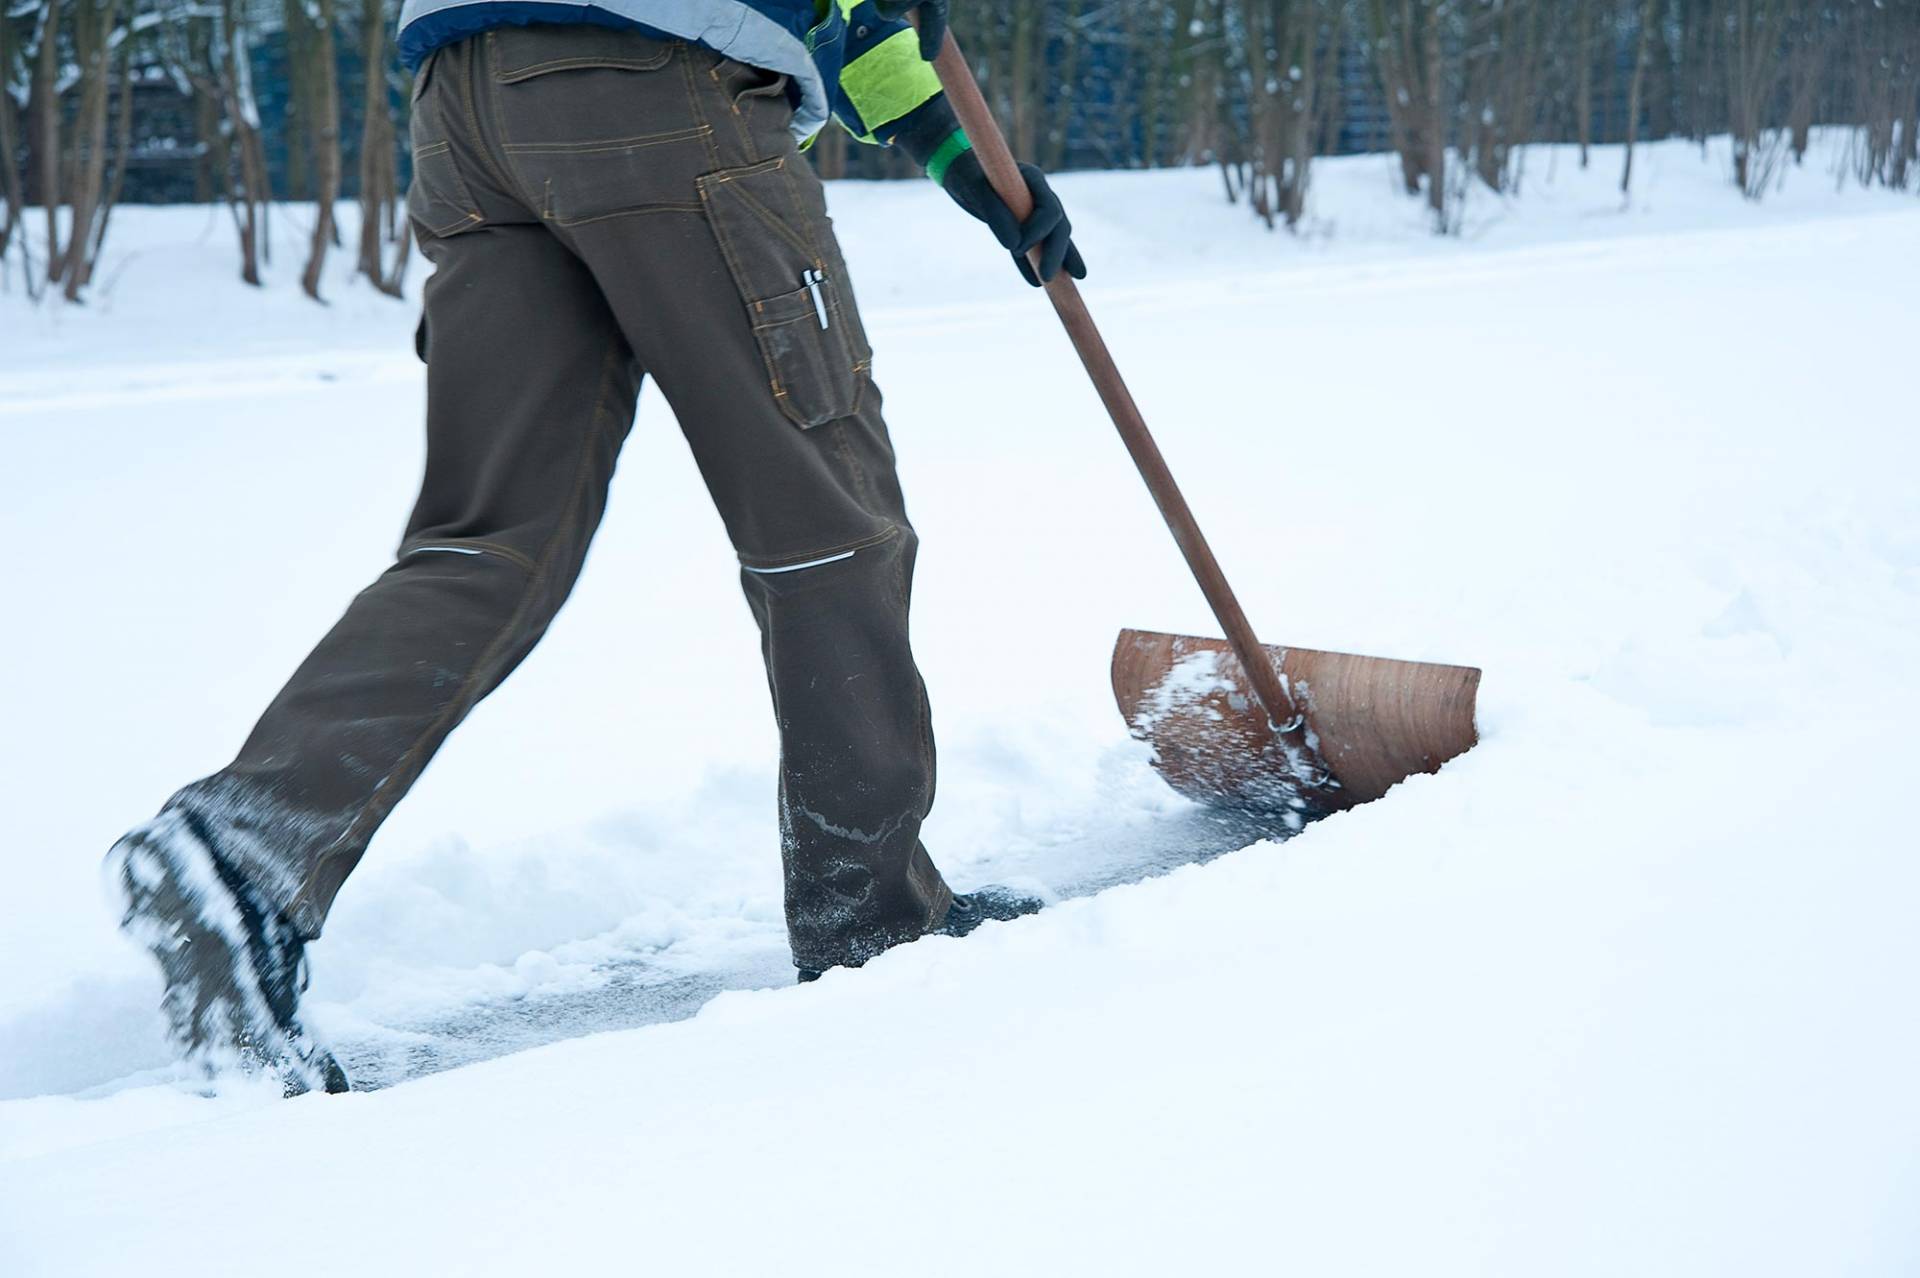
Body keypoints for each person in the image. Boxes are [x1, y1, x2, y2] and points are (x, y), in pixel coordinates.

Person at [105, 0, 1085, 1095]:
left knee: (489, 540)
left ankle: (246, 848)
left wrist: (968, 168)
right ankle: (875, 927)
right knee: (827, 527)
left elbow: (863, 36)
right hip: (660, 85)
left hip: (465, 107)